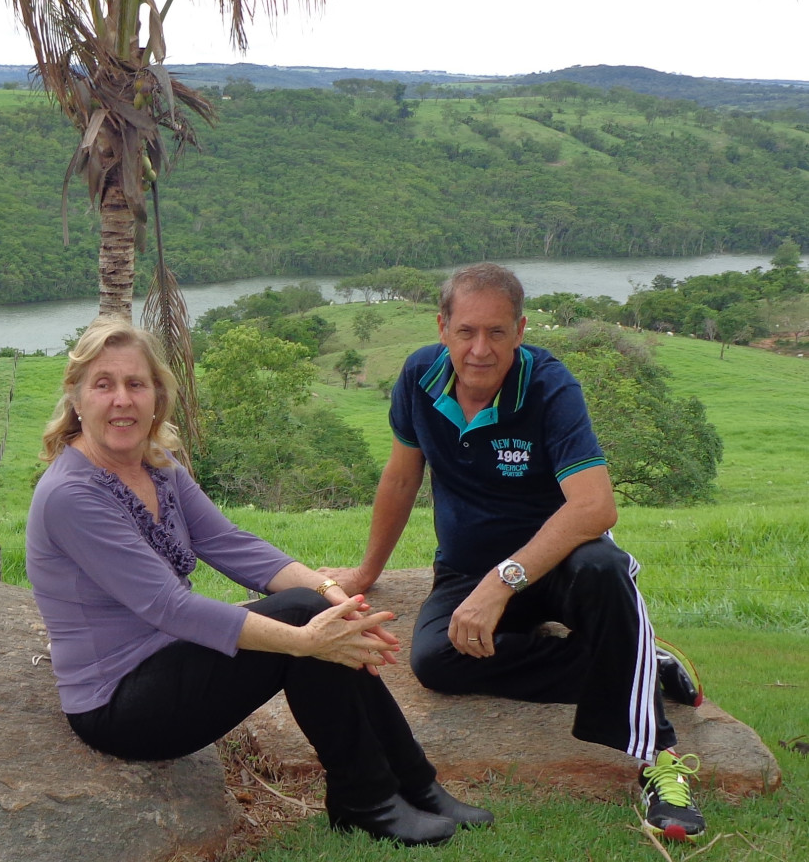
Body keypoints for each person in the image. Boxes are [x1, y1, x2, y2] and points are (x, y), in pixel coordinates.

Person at [26, 316, 493, 847]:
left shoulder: (158, 466)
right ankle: (366, 799)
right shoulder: (73, 494)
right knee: (302, 623)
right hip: (118, 704)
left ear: (158, 395)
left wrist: (333, 596)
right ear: (76, 397)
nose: (122, 400)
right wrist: (305, 639)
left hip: (168, 660)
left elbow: (229, 542)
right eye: (103, 384)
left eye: (136, 384)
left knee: (312, 610)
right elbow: (169, 606)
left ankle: (413, 782)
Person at [321, 263, 707, 842]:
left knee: (604, 567)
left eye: (497, 332)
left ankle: (660, 761)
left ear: (521, 330)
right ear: (442, 327)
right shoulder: (419, 377)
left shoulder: (549, 385)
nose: (481, 349)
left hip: (554, 566)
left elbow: (596, 508)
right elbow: (401, 480)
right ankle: (637, 665)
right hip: (465, 567)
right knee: (434, 662)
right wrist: (365, 572)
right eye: (467, 331)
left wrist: (503, 582)